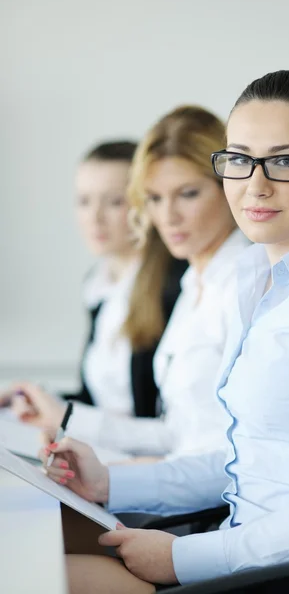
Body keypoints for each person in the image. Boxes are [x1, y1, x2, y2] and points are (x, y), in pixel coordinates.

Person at [41, 69, 289, 594]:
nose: (255, 184)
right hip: (245, 549)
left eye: (286, 160)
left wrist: (185, 557)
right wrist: (112, 482)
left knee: (46, 576)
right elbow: (244, 462)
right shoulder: (260, 282)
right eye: (238, 159)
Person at [10, 106, 249, 460]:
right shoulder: (192, 281)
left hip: (186, 489)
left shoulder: (210, 280)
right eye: (154, 198)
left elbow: (214, 449)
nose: (167, 216)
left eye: (188, 194)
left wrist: (116, 473)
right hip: (157, 473)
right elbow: (178, 433)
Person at [1, 141, 186, 445]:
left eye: (114, 201)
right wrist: (35, 400)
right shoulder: (98, 284)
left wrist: (65, 415)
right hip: (105, 452)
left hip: (148, 462)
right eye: (84, 201)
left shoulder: (174, 284)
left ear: (145, 203)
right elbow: (98, 401)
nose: (94, 217)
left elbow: (171, 427)